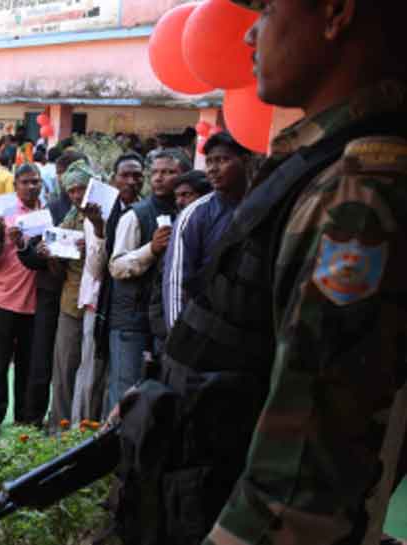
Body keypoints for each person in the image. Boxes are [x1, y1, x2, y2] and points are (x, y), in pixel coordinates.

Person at [167, 2, 406, 542]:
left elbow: (301, 484)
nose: (251, 31)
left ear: (336, 13)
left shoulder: (358, 193)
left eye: (270, 8)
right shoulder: (315, 164)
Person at [104, 149, 186, 413]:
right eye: (157, 172)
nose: (160, 178)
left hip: (165, 322)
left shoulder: (185, 212)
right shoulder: (135, 215)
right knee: (125, 393)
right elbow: (116, 266)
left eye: (169, 172)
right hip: (131, 320)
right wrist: (151, 249)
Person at [37, 161, 107, 430]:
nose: (78, 195)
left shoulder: (108, 213)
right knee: (65, 368)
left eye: (82, 188)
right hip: (71, 300)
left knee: (94, 372)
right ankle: (59, 426)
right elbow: (58, 269)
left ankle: (88, 426)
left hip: (99, 303)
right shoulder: (70, 217)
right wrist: (51, 255)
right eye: (72, 191)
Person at [19, 150, 86, 426]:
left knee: (75, 362)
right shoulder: (49, 209)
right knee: (42, 358)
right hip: (50, 292)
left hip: (81, 295)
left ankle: (70, 418)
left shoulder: (97, 211)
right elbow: (33, 255)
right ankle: (34, 418)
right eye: (62, 173)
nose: (68, 181)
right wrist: (35, 251)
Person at [162, 135, 249, 334]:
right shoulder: (194, 215)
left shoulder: (262, 205)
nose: (212, 169)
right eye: (209, 161)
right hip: (203, 329)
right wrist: (177, 338)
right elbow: (176, 281)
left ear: (245, 161)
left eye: (222, 160)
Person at [0, 164, 42, 435]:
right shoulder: (2, 215)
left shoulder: (46, 214)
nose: (31, 186)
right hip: (3, 300)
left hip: (35, 304)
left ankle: (24, 417)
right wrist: (0, 236)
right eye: (26, 182)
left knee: (28, 365)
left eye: (35, 182)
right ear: (15, 185)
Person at [92, 153, 146, 417]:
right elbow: (98, 267)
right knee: (106, 374)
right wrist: (97, 229)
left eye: (137, 176)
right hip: (102, 301)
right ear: (114, 179)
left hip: (132, 308)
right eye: (125, 175)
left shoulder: (146, 212)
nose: (131, 181)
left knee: (126, 379)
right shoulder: (102, 211)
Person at [150, 169, 212, 349]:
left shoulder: (203, 224)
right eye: (177, 196)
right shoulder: (175, 225)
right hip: (168, 324)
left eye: (186, 195)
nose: (180, 201)